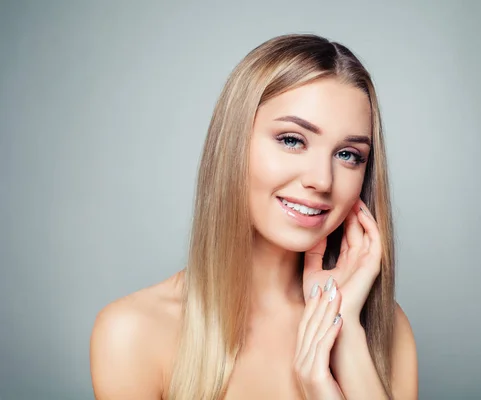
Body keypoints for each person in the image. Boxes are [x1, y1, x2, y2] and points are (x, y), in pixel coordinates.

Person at [90, 33, 418, 399]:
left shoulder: (386, 330)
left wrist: (346, 339)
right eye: (292, 140)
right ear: (233, 145)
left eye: (348, 155)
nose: (322, 180)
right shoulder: (134, 332)